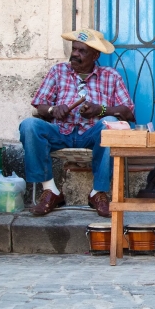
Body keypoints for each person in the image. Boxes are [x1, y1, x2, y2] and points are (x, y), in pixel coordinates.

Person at [20, 28, 135, 217]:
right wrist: (52, 110)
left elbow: (128, 112)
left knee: (110, 124)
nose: (75, 54)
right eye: (74, 49)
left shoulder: (110, 76)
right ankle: (50, 190)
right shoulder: (58, 71)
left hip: (91, 135)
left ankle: (98, 193)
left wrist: (101, 110)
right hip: (60, 132)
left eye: (82, 51)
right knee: (29, 125)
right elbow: (39, 105)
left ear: (96, 55)